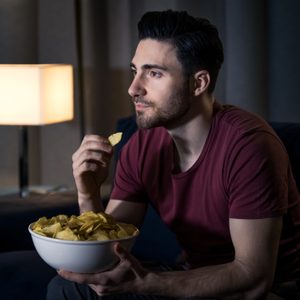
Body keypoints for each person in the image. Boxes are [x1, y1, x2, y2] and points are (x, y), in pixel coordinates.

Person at [47, 10, 300, 300]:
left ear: (199, 83)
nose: (133, 88)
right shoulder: (140, 147)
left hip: (272, 289)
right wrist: (88, 193)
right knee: (68, 289)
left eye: (154, 73)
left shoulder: (249, 146)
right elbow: (110, 253)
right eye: (135, 71)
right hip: (191, 274)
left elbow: (253, 278)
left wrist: (149, 283)